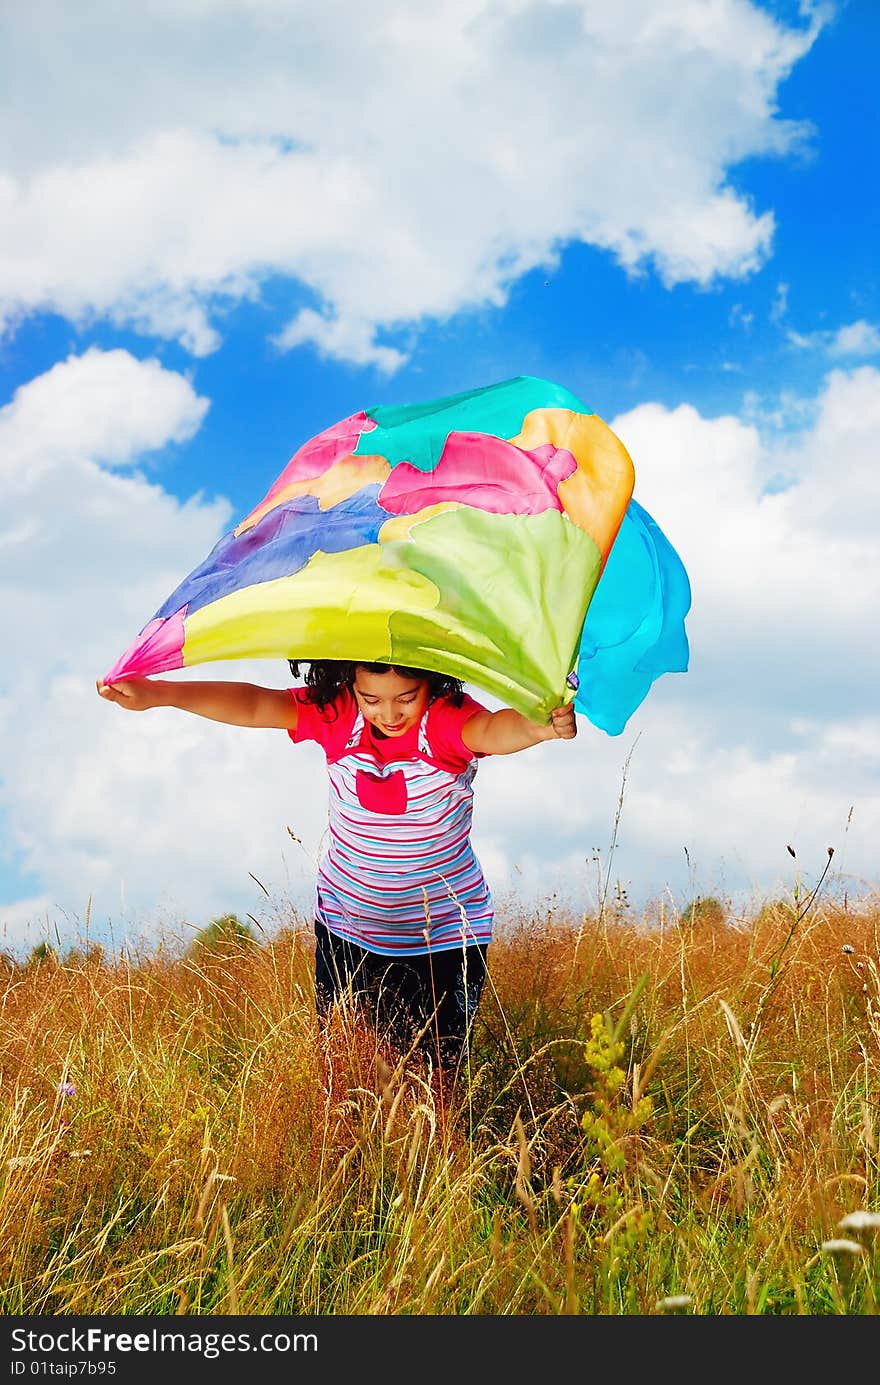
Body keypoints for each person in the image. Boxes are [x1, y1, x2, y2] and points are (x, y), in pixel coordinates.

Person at [96, 660, 576, 1078]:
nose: (388, 713)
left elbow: (495, 730)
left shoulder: (447, 723)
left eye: (405, 698)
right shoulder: (337, 714)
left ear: (432, 682)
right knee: (342, 1069)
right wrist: (160, 694)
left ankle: (436, 1173)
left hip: (446, 936)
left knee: (437, 1076)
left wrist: (540, 728)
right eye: (372, 699)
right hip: (347, 928)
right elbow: (255, 705)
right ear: (351, 685)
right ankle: (349, 1173)